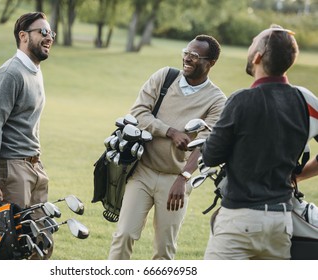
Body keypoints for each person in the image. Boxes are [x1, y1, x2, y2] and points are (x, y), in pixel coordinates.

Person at [108, 35, 227, 260]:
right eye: (186, 53)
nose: (188, 59)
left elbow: (204, 145)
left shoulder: (217, 100)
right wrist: (170, 132)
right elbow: (138, 113)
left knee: (164, 249)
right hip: (143, 171)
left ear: (210, 63)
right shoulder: (165, 77)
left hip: (176, 180)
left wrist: (183, 178)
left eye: (195, 56)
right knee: (123, 234)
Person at [201, 24, 310, 260]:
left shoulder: (241, 100)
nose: (249, 48)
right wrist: (299, 175)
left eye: (252, 43)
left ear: (258, 56)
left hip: (240, 220)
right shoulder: (303, 101)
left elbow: (211, 156)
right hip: (281, 222)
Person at [0, 12, 55, 259]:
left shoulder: (34, 70)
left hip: (35, 167)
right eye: (43, 32)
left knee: (41, 242)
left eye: (51, 33)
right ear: (23, 36)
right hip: (12, 171)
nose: (49, 37)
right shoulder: (9, 74)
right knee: (12, 247)